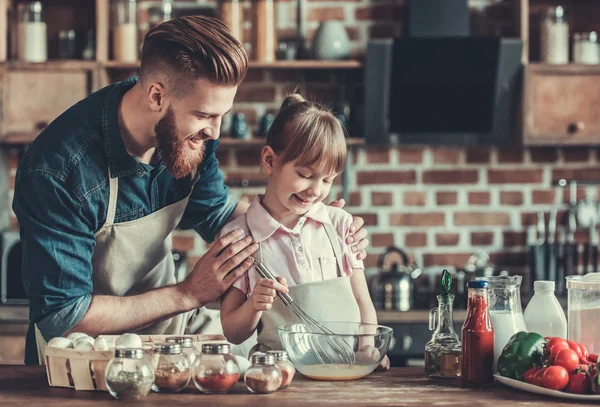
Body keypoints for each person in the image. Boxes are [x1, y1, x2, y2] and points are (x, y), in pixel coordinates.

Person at [12, 16, 369, 365]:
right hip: (81, 361)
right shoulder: (58, 171)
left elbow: (216, 216)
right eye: (204, 115)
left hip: (162, 342)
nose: (214, 131)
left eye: (221, 115)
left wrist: (308, 223)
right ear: (156, 96)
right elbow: (65, 315)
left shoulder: (192, 137)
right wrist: (188, 293)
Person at [220, 93, 390, 370]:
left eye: (327, 180)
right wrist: (254, 305)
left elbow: (362, 301)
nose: (316, 190)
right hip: (280, 378)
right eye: (305, 175)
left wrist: (367, 348)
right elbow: (232, 331)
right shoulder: (240, 238)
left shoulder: (340, 226)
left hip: (342, 375)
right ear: (269, 160)